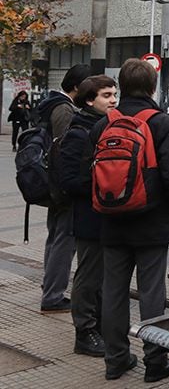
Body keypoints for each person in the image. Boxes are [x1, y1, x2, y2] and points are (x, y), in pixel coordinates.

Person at [90, 59, 169, 382]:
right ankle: (155, 361)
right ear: (152, 87)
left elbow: (87, 175)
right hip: (153, 222)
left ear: (120, 86)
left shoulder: (102, 126)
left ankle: (115, 359)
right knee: (151, 293)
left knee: (113, 292)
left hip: (112, 222)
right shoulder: (162, 123)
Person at [56, 75, 118, 358]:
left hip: (108, 216)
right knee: (89, 277)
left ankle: (103, 328)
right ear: (90, 100)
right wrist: (102, 184)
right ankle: (84, 332)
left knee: (106, 277)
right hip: (89, 217)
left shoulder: (106, 127)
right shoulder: (79, 132)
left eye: (114, 94)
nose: (113, 100)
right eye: (106, 95)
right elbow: (68, 180)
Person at [34, 63, 91, 313]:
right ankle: (53, 295)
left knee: (54, 237)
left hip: (49, 183)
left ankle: (50, 287)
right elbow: (64, 152)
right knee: (64, 241)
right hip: (61, 186)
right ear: (77, 86)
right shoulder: (64, 110)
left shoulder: (49, 103)